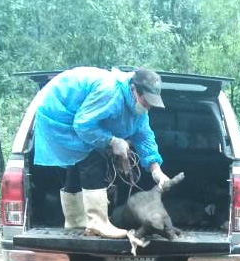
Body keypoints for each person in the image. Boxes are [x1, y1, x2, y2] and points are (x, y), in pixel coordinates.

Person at [32, 67, 173, 238]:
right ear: (134, 89)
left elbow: (144, 136)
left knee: (78, 161)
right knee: (92, 156)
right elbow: (83, 125)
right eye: (146, 101)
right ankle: (97, 223)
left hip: (74, 116)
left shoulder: (138, 110)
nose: (148, 106)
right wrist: (112, 141)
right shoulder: (110, 93)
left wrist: (156, 169)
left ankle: (75, 223)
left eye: (152, 103)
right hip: (57, 111)